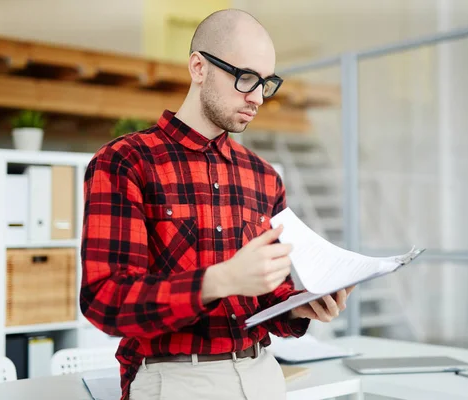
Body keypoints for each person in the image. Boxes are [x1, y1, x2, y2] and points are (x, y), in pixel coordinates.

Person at [80, 8, 353, 400]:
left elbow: (267, 295)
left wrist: (298, 306)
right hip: (174, 380)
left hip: (263, 374)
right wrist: (219, 280)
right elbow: (105, 299)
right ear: (198, 68)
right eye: (245, 78)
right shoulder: (126, 160)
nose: (257, 97)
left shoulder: (264, 176)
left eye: (266, 83)